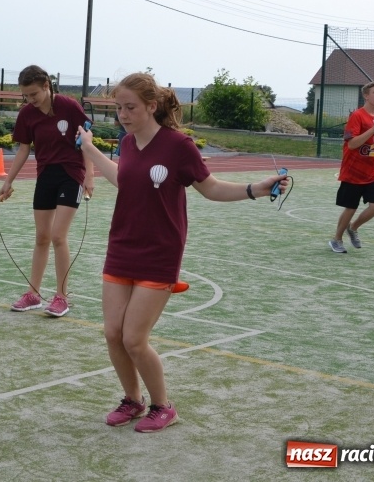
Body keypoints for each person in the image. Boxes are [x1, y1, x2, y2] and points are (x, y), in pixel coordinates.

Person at [76, 73, 288, 433]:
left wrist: (256, 188)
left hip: (160, 253)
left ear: (151, 106)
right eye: (119, 108)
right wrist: (90, 148)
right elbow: (124, 178)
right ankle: (133, 401)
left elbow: (212, 188)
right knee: (113, 333)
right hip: (121, 247)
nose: (123, 115)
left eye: (130, 107)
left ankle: (163, 406)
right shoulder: (127, 144)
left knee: (134, 339)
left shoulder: (179, 146)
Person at [0, 65, 95, 317]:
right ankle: (33, 294)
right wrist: (8, 181)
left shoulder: (69, 106)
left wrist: (90, 174)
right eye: (25, 96)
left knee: (58, 236)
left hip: (71, 175)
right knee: (41, 237)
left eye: (34, 94)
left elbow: (86, 138)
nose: (30, 100)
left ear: (46, 87)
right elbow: (23, 149)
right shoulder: (27, 114)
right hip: (46, 176)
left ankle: (62, 297)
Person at [329, 81, 374, 254]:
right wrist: (372, 130)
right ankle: (336, 240)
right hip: (354, 170)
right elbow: (353, 143)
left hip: (373, 170)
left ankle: (353, 228)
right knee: (351, 207)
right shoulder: (357, 116)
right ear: (366, 95)